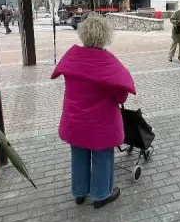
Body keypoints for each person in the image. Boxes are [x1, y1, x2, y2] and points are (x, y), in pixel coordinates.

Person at [51, 14, 135, 209]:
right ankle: (100, 195)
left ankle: (80, 193)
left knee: (78, 155)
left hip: (75, 121)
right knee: (102, 157)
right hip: (101, 125)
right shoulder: (109, 63)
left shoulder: (71, 57)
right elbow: (121, 97)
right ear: (106, 35)